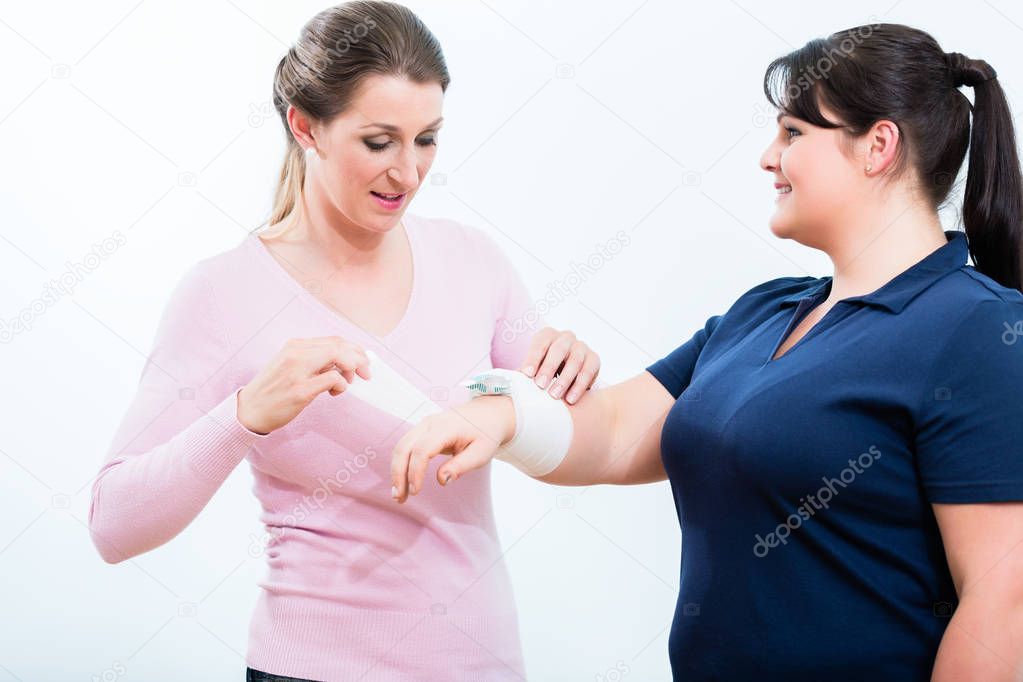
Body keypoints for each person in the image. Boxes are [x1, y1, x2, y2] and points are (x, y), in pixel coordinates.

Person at [392, 23, 1023, 681]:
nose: (767, 157)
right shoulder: (764, 313)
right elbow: (610, 435)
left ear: (877, 146)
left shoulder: (975, 327)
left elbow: (1002, 602)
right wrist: (501, 413)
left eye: (793, 133)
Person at [87, 3, 601, 680]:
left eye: (427, 139)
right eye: (379, 142)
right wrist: (243, 414)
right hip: (312, 669)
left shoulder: (474, 263)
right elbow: (114, 526)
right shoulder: (221, 293)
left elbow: (580, 446)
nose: (409, 173)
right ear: (305, 126)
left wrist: (559, 381)